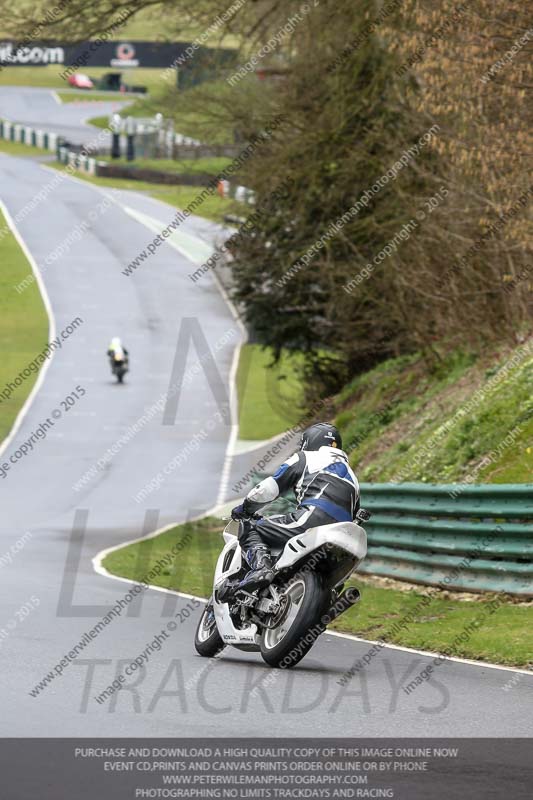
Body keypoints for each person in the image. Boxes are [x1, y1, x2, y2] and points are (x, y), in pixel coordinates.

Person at [226, 422, 360, 595]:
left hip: (312, 520)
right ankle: (330, 598)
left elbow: (268, 489)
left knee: (251, 528)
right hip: (344, 534)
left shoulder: (305, 457)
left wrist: (246, 508)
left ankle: (261, 570)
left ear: (310, 442)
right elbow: (355, 513)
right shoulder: (353, 478)